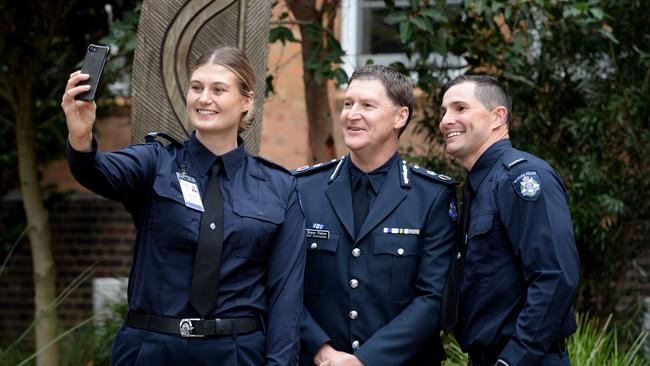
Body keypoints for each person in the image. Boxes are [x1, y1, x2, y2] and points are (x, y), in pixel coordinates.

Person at [61, 46, 305, 365]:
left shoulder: (278, 186)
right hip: (151, 349)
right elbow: (97, 172)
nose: (204, 98)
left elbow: (286, 294)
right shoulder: (154, 162)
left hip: (236, 353)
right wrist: (81, 137)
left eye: (218, 89)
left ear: (246, 100)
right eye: (196, 87)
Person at [294, 64, 458, 366]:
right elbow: (285, 285)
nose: (351, 114)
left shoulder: (431, 196)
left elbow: (433, 299)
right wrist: (322, 351)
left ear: (400, 116)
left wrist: (364, 360)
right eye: (348, 103)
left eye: (367, 105)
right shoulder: (303, 189)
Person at [439, 75, 580, 366]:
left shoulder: (520, 178)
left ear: (497, 117)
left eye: (460, 108)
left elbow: (555, 276)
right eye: (443, 111)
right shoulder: (480, 184)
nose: (445, 120)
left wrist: (513, 359)